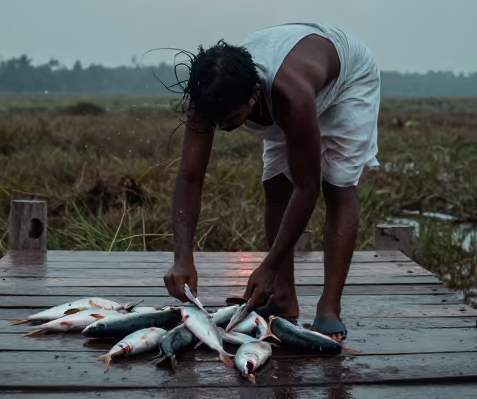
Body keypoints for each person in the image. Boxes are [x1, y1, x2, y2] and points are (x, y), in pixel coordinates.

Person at [163, 23, 380, 341]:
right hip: (282, 90)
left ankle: (329, 308)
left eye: (231, 118)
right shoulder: (208, 95)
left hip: (346, 79)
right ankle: (282, 299)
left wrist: (269, 265)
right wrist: (182, 258)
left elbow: (308, 187)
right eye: (216, 120)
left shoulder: (291, 96)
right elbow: (190, 176)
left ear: (252, 95)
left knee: (338, 184)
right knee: (275, 184)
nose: (223, 125)